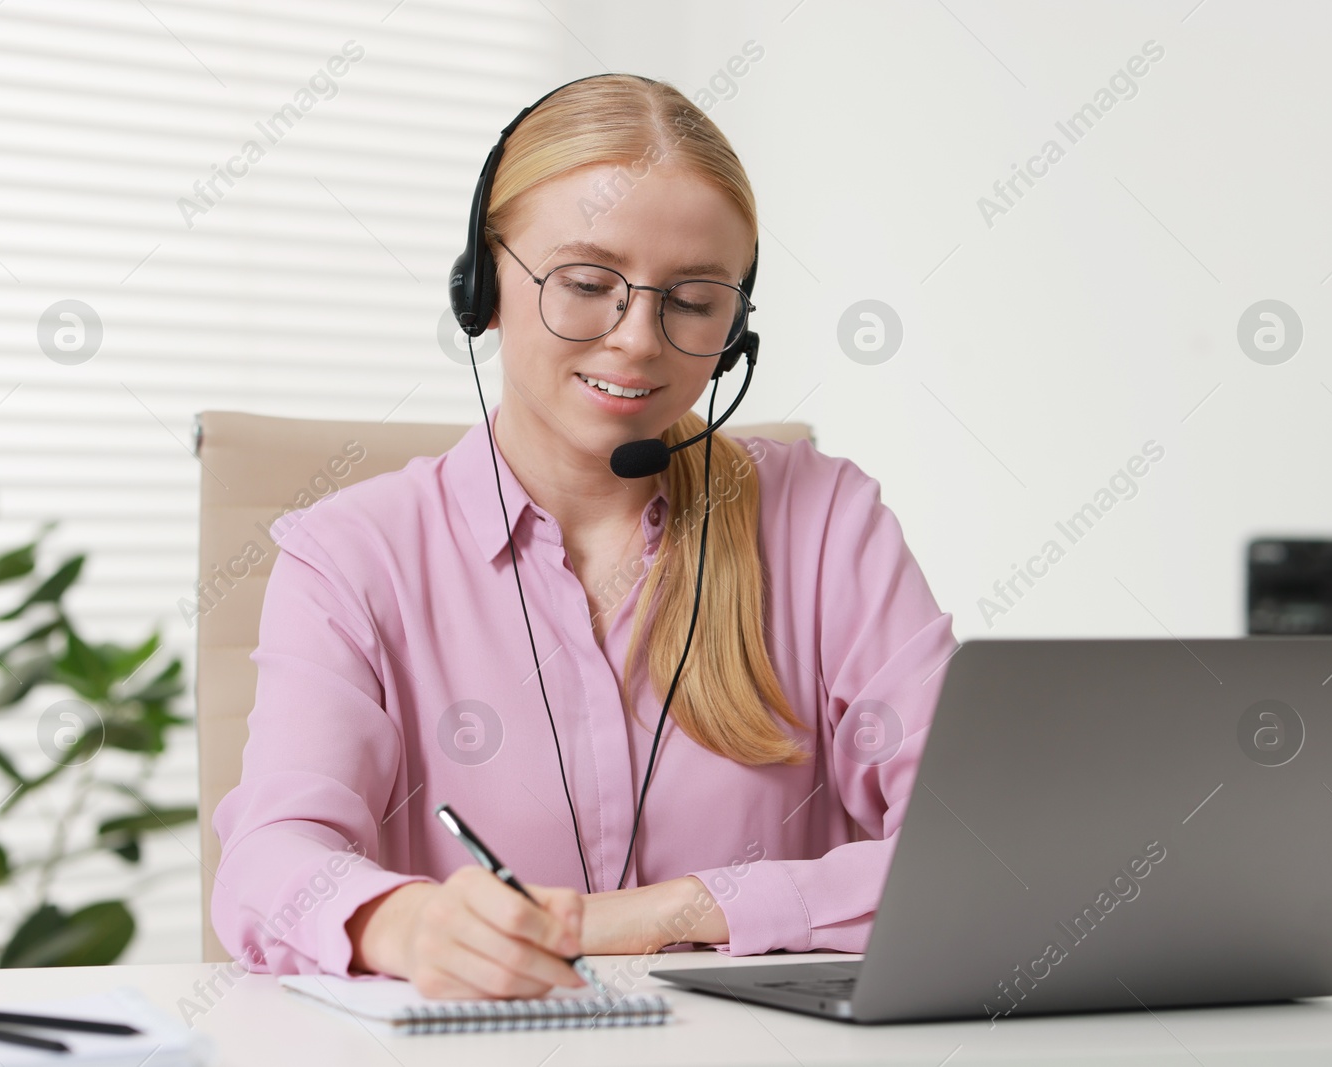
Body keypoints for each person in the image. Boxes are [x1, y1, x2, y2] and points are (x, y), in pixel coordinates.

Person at [211, 73, 957, 1000]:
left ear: (737, 333)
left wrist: (662, 913)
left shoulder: (825, 524)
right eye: (587, 283)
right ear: (482, 287)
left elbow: (981, 849)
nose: (636, 338)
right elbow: (269, 861)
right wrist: (403, 922)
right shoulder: (352, 558)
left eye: (691, 300)